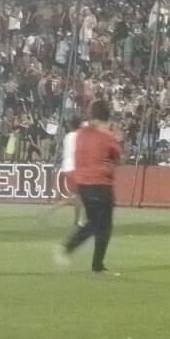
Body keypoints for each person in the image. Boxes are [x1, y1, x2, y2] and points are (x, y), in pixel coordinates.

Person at [56, 99, 122, 273]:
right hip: (101, 183)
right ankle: (80, 254)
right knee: (102, 225)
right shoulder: (107, 136)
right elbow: (117, 157)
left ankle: (94, 263)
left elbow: (78, 156)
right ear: (107, 116)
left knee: (95, 222)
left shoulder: (81, 134)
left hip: (84, 182)